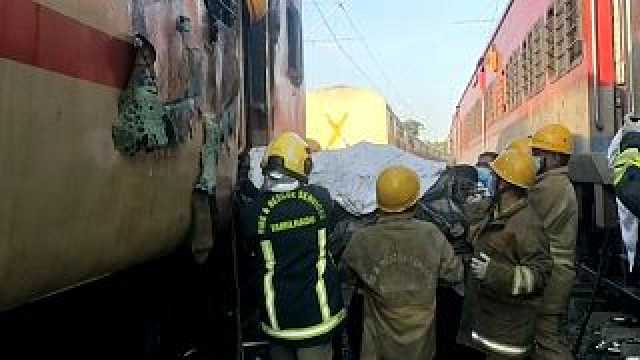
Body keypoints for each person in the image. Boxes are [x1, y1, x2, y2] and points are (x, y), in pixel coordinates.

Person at [239, 132, 345, 360]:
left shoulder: (252, 213)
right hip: (317, 318)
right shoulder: (321, 199)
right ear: (303, 166)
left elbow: (249, 242)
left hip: (278, 321)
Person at [342, 165, 464, 360]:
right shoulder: (430, 234)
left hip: (378, 346)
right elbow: (454, 274)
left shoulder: (362, 239)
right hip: (420, 347)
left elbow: (346, 276)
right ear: (414, 201)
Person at [458, 149, 552, 360]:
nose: (491, 180)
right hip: (488, 325)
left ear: (504, 184)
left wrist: (494, 273)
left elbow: (540, 273)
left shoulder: (527, 224)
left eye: (495, 176)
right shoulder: (498, 212)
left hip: (506, 338)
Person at [529, 124, 578, 360]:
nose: (534, 159)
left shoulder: (550, 185)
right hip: (559, 270)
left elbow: (524, 218)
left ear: (556, 157)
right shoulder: (559, 182)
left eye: (540, 153)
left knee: (547, 338)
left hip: (553, 271)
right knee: (551, 334)